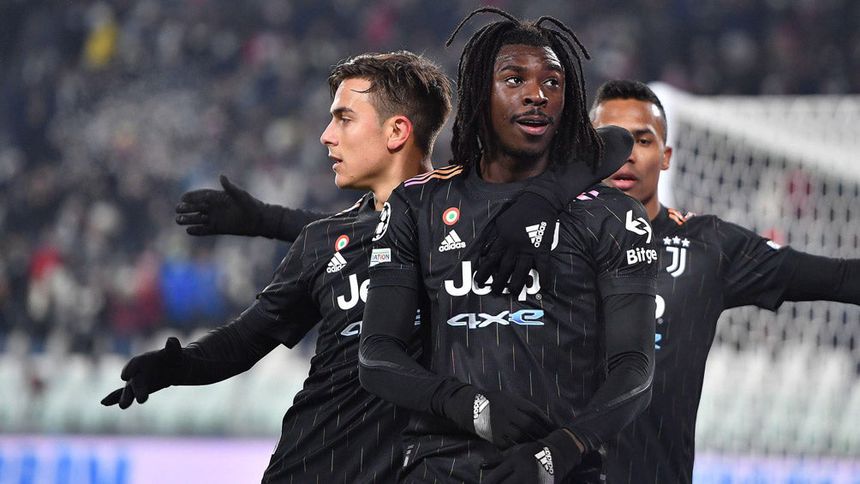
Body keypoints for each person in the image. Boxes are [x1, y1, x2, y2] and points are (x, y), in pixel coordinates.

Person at [102, 51, 454, 484]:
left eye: (344, 119)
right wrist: (178, 366)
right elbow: (244, 341)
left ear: (397, 131)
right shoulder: (324, 242)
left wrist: (268, 220)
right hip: (307, 470)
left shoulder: (472, 229)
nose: (326, 136)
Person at [357, 9, 657, 483]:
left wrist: (562, 449)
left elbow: (635, 368)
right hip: (441, 468)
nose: (537, 94)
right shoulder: (418, 204)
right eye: (514, 79)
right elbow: (376, 355)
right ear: (481, 92)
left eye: (553, 82)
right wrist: (470, 406)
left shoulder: (612, 215)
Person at [590, 79, 860, 484]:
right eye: (611, 140)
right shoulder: (543, 242)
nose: (626, 154)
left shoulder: (709, 246)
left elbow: (838, 278)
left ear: (665, 157)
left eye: (642, 141)